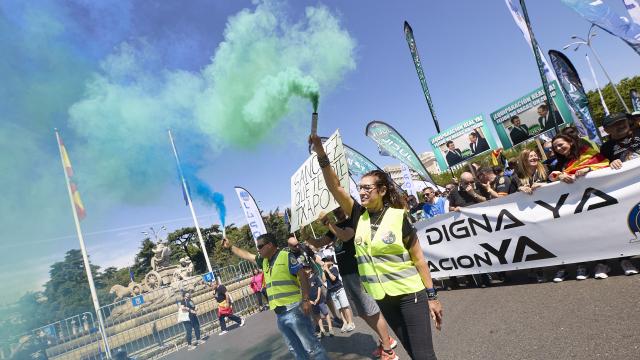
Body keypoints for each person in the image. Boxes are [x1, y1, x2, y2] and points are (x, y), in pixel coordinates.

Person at [311, 134, 443, 360]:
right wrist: (321, 154)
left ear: (381, 191)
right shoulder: (357, 216)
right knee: (412, 352)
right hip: (384, 298)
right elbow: (335, 187)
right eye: (360, 188)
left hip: (410, 295)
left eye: (367, 188)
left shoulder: (398, 217)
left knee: (423, 355)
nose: (361, 192)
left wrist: (432, 296)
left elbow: (419, 259)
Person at [309, 208, 399, 360]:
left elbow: (345, 236)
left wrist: (328, 223)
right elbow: (318, 243)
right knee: (362, 313)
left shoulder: (354, 220)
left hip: (357, 272)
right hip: (346, 274)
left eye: (339, 207)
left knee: (371, 310)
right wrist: (306, 236)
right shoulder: (334, 226)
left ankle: (389, 351)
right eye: (335, 208)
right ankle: (386, 340)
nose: (337, 210)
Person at [222, 234, 328, 360]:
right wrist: (230, 247)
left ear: (270, 245)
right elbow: (247, 255)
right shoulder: (264, 261)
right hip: (280, 314)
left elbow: (303, 276)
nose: (258, 249)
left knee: (312, 347)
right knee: (295, 349)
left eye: (260, 246)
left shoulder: (286, 256)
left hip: (294, 309)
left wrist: (305, 300)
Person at [548, 134, 610, 282]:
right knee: (584, 233)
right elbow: (552, 176)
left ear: (570, 142)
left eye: (561, 144)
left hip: (596, 199)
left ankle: (605, 264)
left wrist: (588, 168)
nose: (559, 148)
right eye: (556, 147)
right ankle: (587, 264)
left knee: (601, 230)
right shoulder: (561, 162)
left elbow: (605, 163)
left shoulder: (587, 153)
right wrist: (560, 176)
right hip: (576, 204)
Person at [598, 113, 640, 276]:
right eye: (614, 124)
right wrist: (609, 164)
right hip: (628, 194)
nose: (620, 125)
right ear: (607, 130)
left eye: (622, 122)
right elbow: (599, 168)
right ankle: (626, 258)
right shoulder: (606, 148)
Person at [322, 257, 355, 333]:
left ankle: (350, 322)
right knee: (339, 308)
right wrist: (324, 271)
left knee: (345, 306)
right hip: (332, 291)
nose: (324, 264)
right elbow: (323, 280)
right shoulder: (325, 271)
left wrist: (327, 269)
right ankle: (345, 323)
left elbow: (333, 278)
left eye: (325, 262)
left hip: (339, 289)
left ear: (329, 262)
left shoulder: (334, 269)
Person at [307, 265, 334, 338]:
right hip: (312, 302)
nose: (305, 270)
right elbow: (304, 292)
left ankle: (330, 328)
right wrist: (310, 301)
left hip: (320, 300)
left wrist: (318, 297)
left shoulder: (315, 277)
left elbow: (319, 287)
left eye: (307, 268)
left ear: (310, 269)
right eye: (304, 269)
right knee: (317, 315)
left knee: (325, 313)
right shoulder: (305, 281)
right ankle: (322, 330)